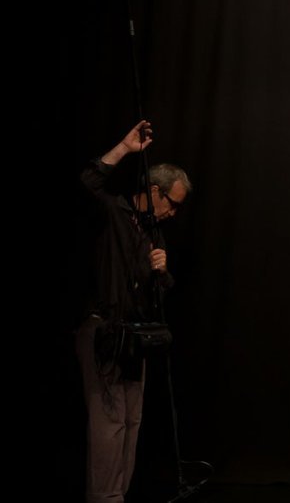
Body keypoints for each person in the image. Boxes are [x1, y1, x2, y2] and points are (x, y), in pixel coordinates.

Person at [76, 120, 191, 502]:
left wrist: (162, 272)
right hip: (104, 332)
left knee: (131, 420)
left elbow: (158, 293)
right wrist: (125, 148)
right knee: (109, 423)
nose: (173, 213)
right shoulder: (114, 214)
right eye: (173, 203)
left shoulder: (153, 234)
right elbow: (87, 183)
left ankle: (118, 495)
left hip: (134, 338)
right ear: (155, 191)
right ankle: (105, 499)